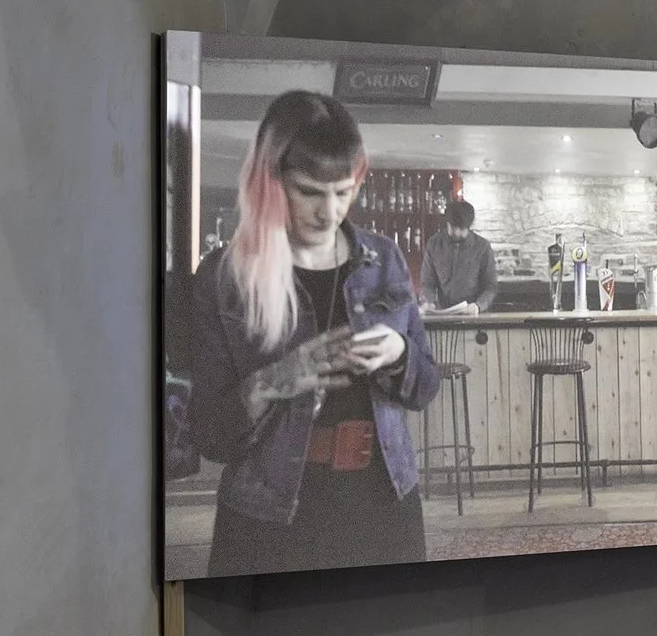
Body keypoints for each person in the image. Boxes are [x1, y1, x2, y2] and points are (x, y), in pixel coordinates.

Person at [187, 90, 438, 575]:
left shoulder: (383, 259)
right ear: (270, 180)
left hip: (383, 502)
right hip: (268, 516)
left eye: (344, 191)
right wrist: (274, 381)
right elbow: (210, 437)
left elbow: (425, 387)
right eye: (310, 192)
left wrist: (400, 354)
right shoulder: (223, 278)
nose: (330, 212)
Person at [418, 198, 497, 312]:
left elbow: (490, 286)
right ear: (447, 224)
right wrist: (429, 302)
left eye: (461, 228)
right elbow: (427, 283)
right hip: (442, 312)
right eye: (453, 227)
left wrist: (478, 305)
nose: (457, 232)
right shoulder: (434, 244)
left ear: (468, 227)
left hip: (473, 313)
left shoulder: (482, 247)